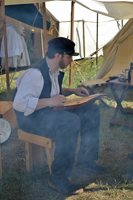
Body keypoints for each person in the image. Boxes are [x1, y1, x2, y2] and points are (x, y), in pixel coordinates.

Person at [13, 37, 106, 195]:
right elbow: (19, 104)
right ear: (58, 56)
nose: (71, 60)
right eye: (69, 57)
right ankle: (58, 177)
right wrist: (50, 101)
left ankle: (86, 160)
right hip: (31, 120)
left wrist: (72, 90)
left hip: (46, 112)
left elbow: (50, 89)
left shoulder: (52, 70)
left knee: (92, 110)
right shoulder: (34, 74)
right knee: (69, 122)